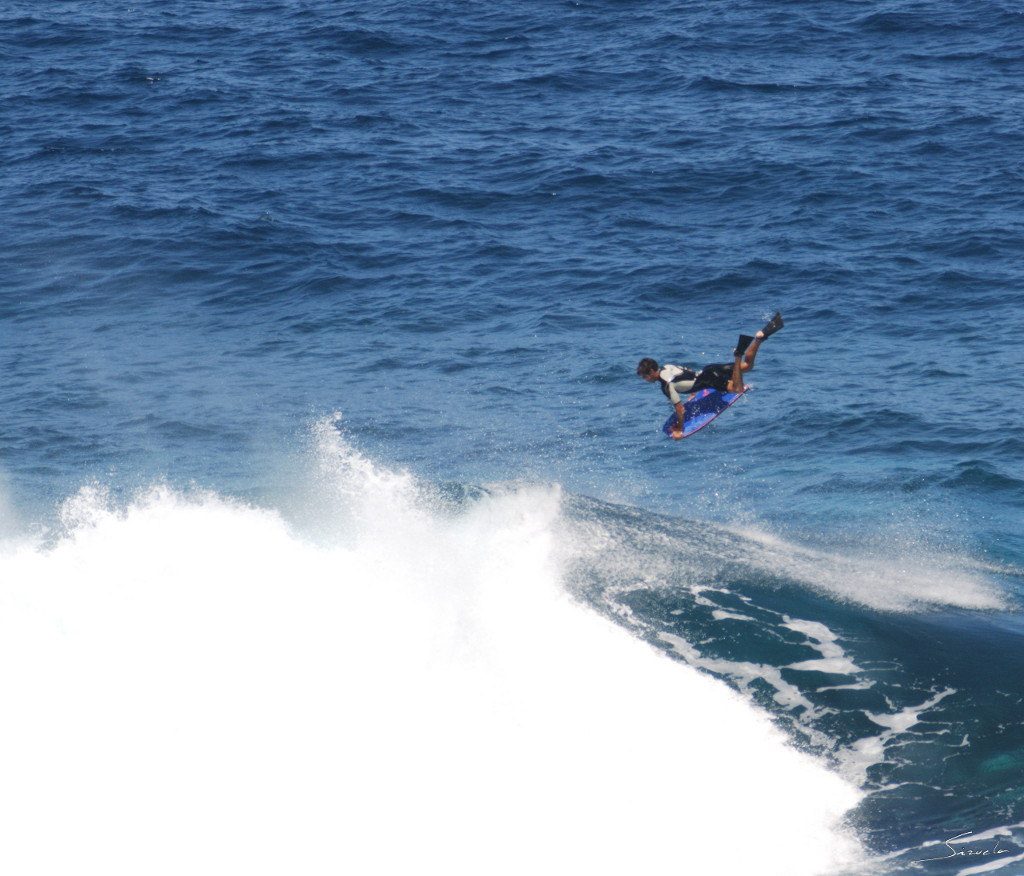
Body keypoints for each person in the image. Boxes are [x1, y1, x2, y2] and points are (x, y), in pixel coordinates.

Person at [638, 311, 783, 440]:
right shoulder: (667, 367)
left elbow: (680, 409)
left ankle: (738, 354)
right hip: (708, 370)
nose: (646, 380)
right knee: (748, 366)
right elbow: (688, 372)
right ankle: (760, 337)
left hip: (709, 379)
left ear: (651, 372)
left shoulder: (665, 386)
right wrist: (693, 391)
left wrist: (680, 429)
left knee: (736, 388)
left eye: (645, 377)